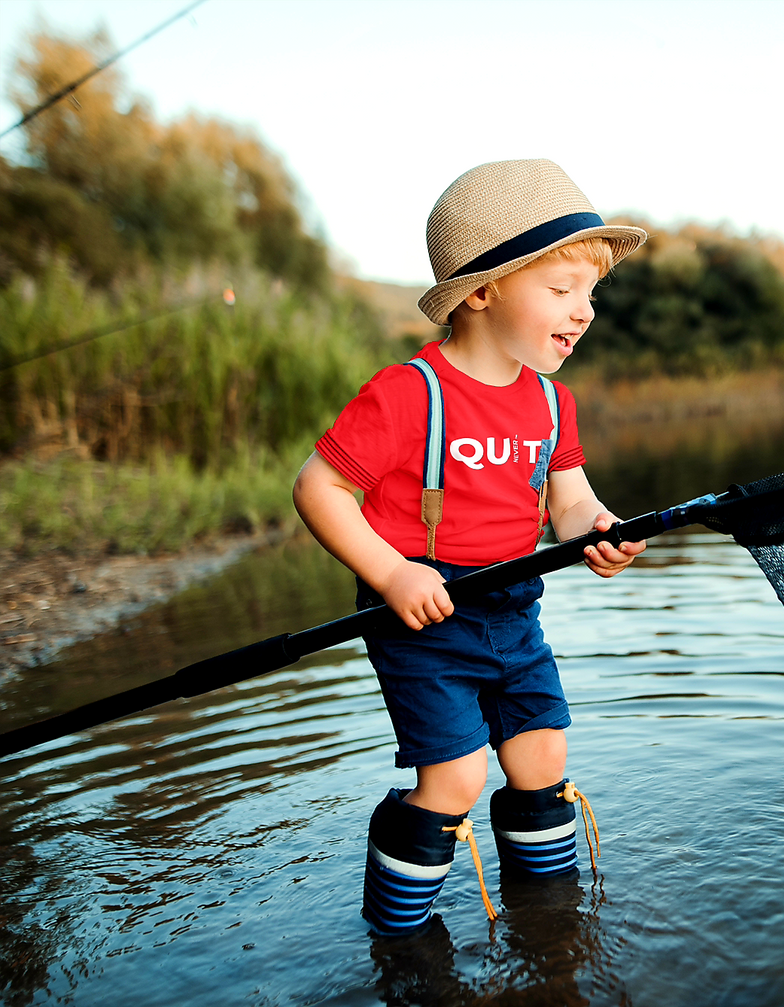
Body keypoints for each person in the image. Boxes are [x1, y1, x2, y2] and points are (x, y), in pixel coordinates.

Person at [292, 159, 648, 936]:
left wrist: (596, 528)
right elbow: (317, 488)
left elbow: (571, 499)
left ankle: (549, 923)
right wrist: (389, 571)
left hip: (512, 609)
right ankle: (398, 936)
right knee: (452, 777)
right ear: (481, 291)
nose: (582, 311)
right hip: (422, 614)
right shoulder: (407, 393)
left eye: (589, 293)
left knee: (541, 759)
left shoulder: (553, 401)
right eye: (561, 291)